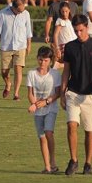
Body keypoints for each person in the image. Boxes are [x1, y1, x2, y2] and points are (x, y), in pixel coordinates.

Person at [61, 14, 92, 176]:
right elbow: (66, 71)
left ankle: (88, 164)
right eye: (75, 31)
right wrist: (62, 93)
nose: (78, 33)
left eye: (81, 30)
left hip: (91, 95)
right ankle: (73, 160)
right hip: (73, 93)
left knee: (89, 131)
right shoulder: (69, 47)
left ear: (87, 27)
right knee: (71, 125)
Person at [26, 46, 62, 174]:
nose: (43, 63)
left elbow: (57, 93)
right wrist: (34, 104)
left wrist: (46, 101)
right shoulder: (31, 74)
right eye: (41, 60)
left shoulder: (55, 74)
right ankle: (47, 166)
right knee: (41, 137)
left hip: (51, 108)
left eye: (46, 60)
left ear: (50, 61)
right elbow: (30, 93)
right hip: (38, 111)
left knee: (48, 132)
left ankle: (53, 161)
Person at [0, 0, 32, 101]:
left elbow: (28, 31)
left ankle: (16, 94)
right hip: (6, 46)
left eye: (23, 10)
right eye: (19, 10)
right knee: (4, 71)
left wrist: (29, 45)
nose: (21, 12)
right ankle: (8, 83)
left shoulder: (26, 14)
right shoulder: (3, 13)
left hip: (20, 46)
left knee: (18, 70)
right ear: (13, 8)